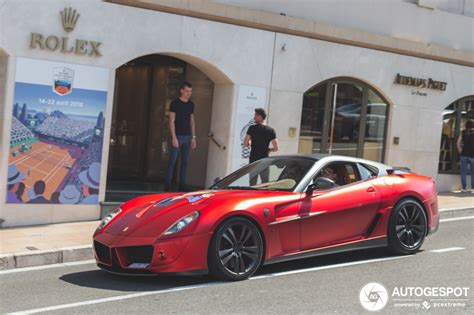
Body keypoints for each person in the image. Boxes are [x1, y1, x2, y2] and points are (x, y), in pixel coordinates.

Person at [165, 81, 197, 191]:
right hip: (178, 135)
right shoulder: (175, 103)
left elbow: (192, 121)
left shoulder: (191, 104)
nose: (189, 93)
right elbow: (171, 121)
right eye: (187, 91)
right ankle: (167, 185)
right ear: (182, 90)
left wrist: (193, 137)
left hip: (188, 136)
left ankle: (182, 186)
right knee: (172, 161)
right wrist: (173, 137)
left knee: (185, 162)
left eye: (190, 91)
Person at [244, 108, 279, 185]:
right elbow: (276, 148)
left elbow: (245, 144)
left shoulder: (252, 128)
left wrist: (250, 142)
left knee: (252, 184)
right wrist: (269, 149)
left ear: (260, 116)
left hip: (254, 161)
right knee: (265, 184)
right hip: (265, 161)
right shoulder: (271, 130)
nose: (254, 118)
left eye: (255, 115)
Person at [457, 120, 474, 192]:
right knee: (473, 172)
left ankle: (464, 188)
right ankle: (473, 188)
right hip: (473, 155)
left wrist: (460, 150)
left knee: (463, 172)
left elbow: (458, 143)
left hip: (464, 154)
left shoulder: (463, 132)